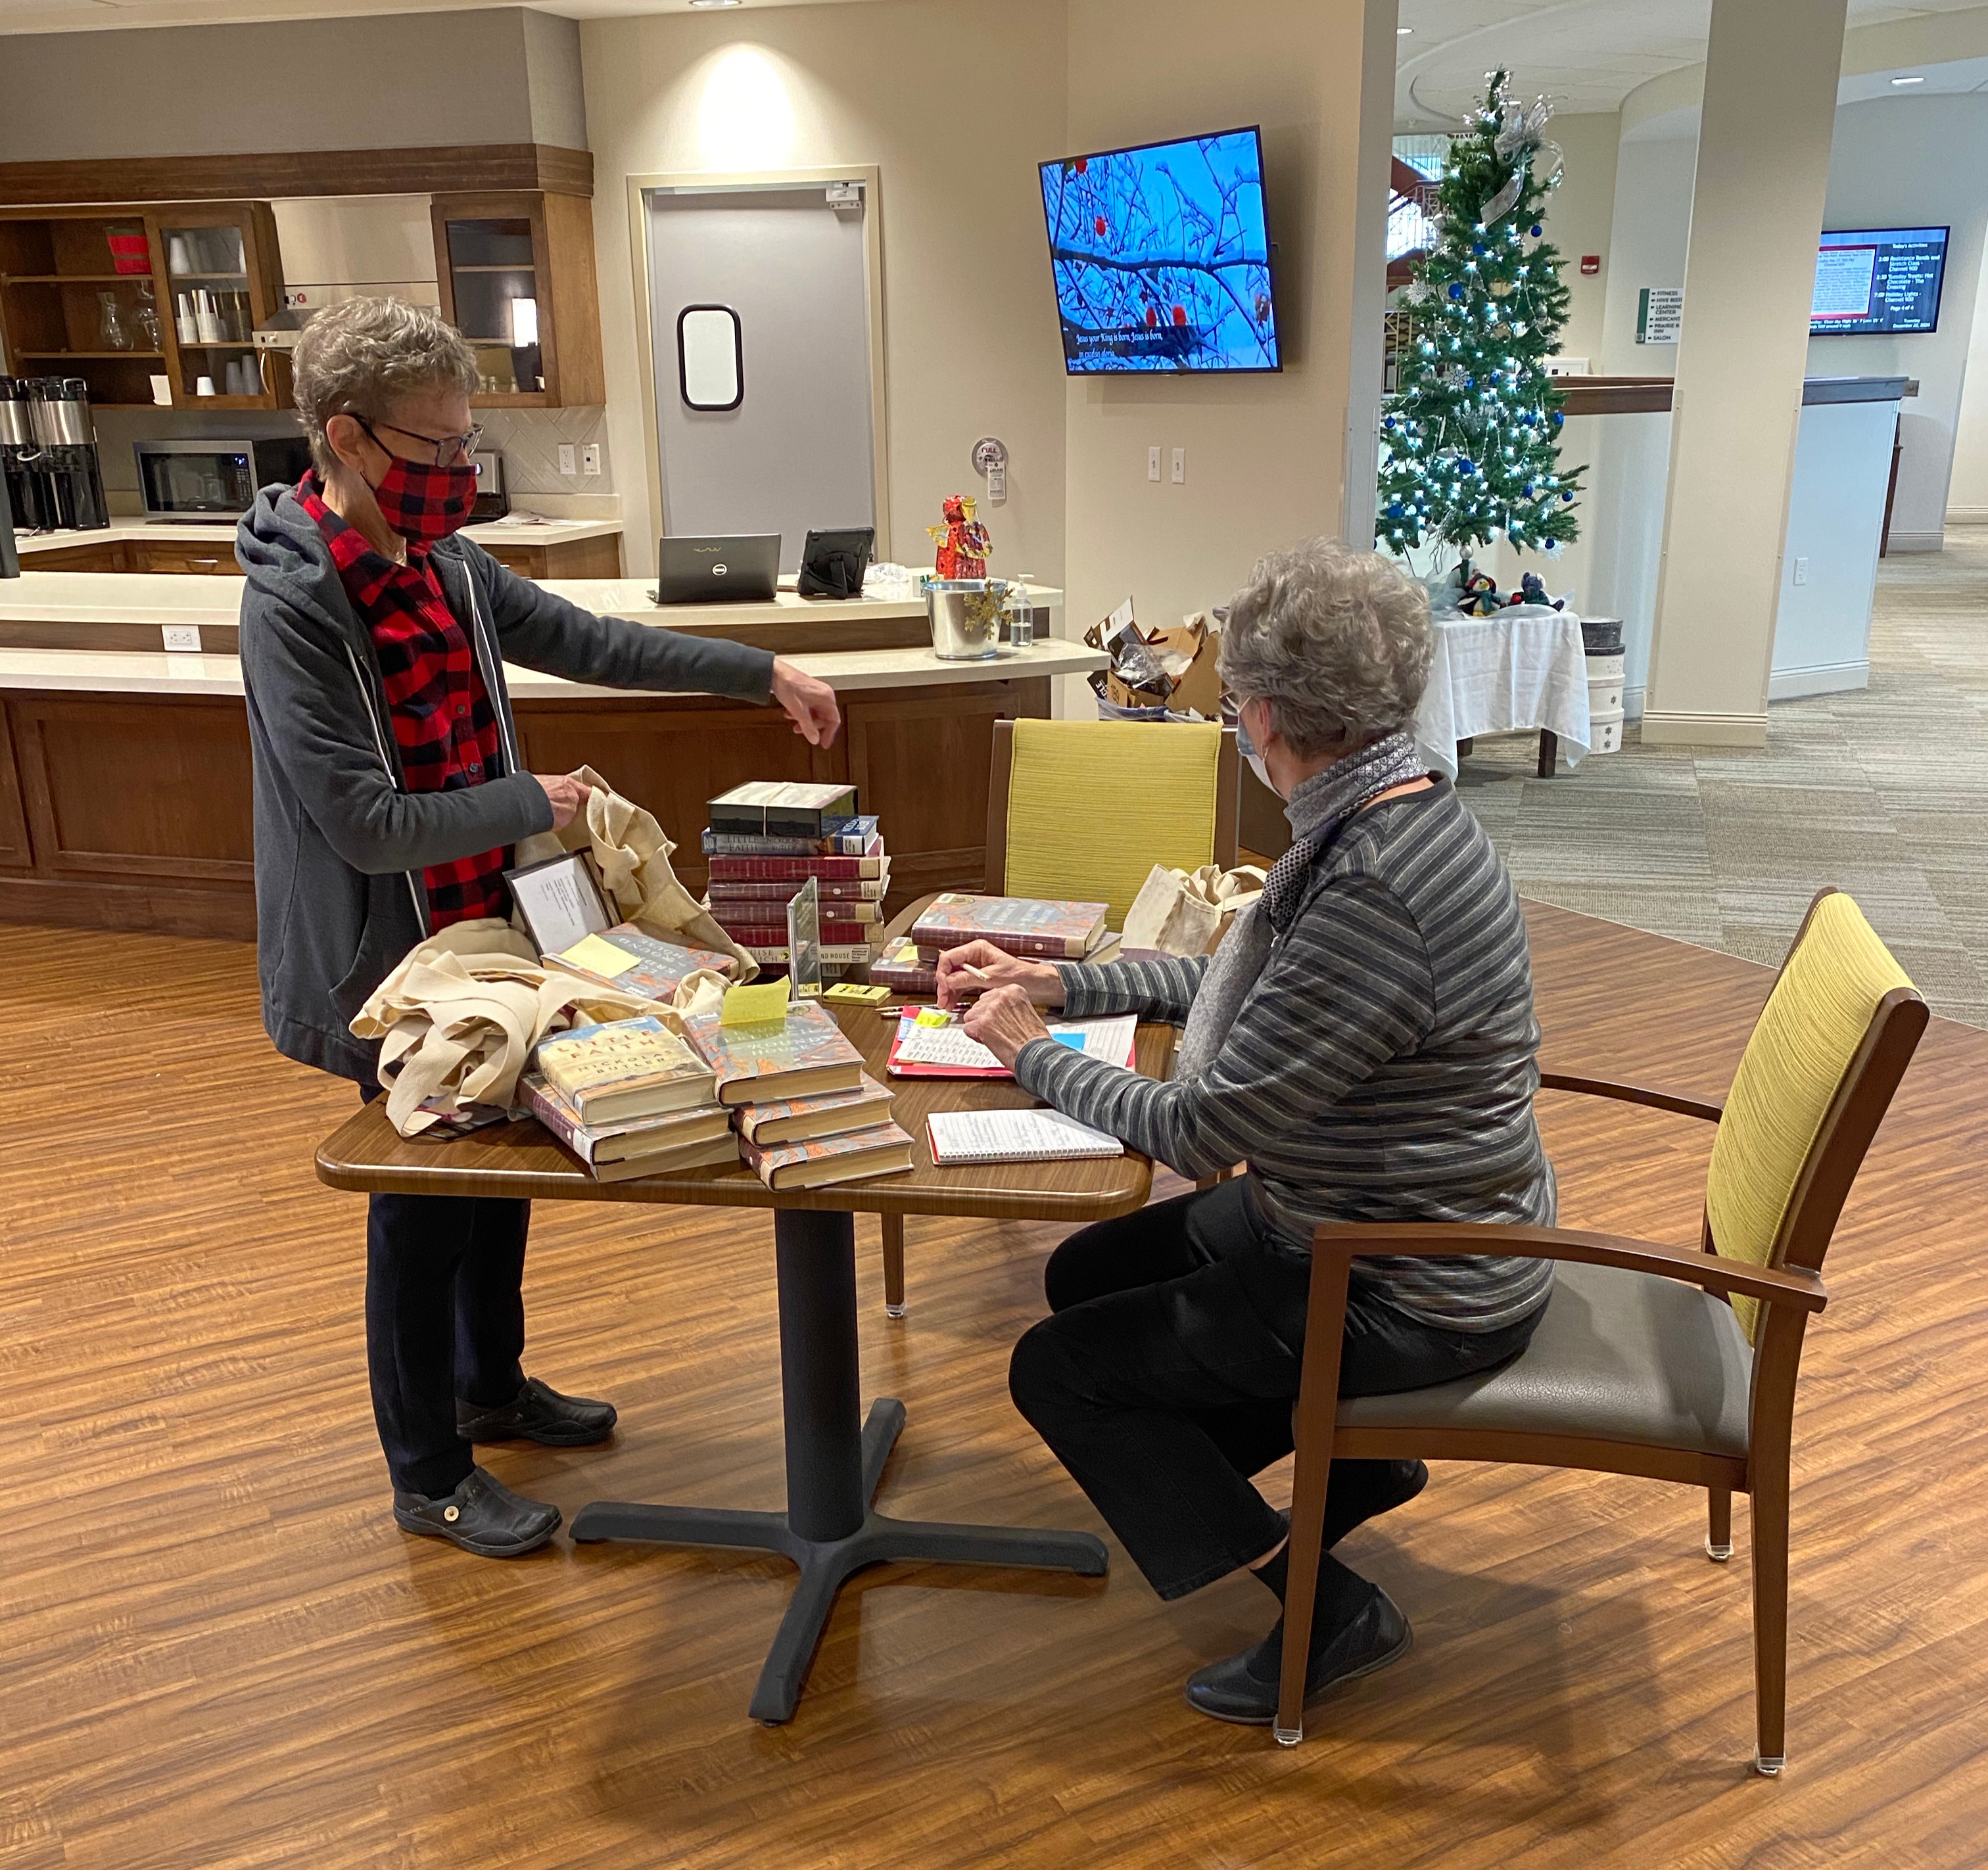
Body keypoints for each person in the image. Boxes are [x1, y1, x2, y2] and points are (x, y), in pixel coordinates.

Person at [237, 296, 841, 1560]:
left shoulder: (448, 565)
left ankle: (491, 1387)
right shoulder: (294, 606)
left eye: (469, 448)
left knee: (505, 1149)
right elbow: (359, 822)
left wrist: (759, 670)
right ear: (345, 438)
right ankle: (430, 1470)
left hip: (496, 926)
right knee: (422, 1202)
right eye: (437, 452)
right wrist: (536, 801)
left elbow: (588, 638)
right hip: (390, 957)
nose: (461, 477)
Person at [935, 537, 1555, 1725]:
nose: (1233, 727)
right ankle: (1347, 1460)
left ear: (1264, 712)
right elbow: (1240, 981)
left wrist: (1028, 1052)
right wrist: (1065, 985)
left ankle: (1330, 1605)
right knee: (1088, 1270)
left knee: (1061, 1375)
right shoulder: (1389, 808)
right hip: (1389, 1219)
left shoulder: (1371, 880)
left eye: (1232, 708)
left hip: (1412, 1279)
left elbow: (1199, 1131)